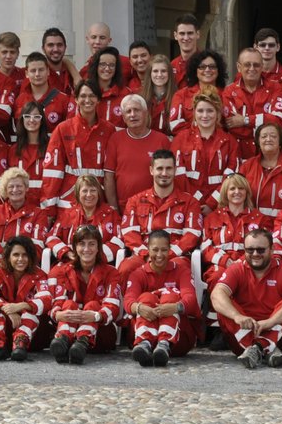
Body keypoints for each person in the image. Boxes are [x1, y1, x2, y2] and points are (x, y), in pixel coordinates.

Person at [209, 228, 282, 368]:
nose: (255, 254)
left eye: (261, 250)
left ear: (272, 250)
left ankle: (259, 348)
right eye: (250, 250)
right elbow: (217, 294)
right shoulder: (237, 268)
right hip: (242, 334)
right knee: (225, 306)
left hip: (275, 332)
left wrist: (271, 321)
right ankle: (266, 348)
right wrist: (237, 316)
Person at [45, 225, 123, 364]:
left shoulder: (111, 272)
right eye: (82, 244)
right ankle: (63, 341)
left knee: (93, 305)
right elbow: (56, 302)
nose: (86, 249)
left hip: (100, 333)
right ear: (75, 247)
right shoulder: (62, 270)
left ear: (99, 247)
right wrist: (57, 314)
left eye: (92, 244)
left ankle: (82, 341)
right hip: (68, 326)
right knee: (68, 304)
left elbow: (113, 306)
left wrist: (96, 316)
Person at [120, 229, 199, 365]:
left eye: (164, 250)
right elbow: (128, 301)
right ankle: (145, 343)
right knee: (146, 298)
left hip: (178, 341)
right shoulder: (138, 274)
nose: (159, 255)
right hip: (141, 338)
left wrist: (175, 307)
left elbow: (191, 299)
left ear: (170, 250)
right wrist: (140, 308)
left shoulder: (181, 271)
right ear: (148, 250)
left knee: (170, 296)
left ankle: (164, 344)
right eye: (155, 250)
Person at [0, 235, 52, 361]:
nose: (20, 259)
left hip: (33, 336)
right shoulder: (0, 272)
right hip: (7, 325)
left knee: (31, 311)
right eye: (16, 255)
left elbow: (47, 300)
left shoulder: (39, 275)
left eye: (25, 255)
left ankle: (20, 343)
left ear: (31, 257)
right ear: (8, 257)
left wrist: (22, 306)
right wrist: (6, 308)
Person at [41, 80, 113, 211]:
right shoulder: (63, 129)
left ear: (98, 99)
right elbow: (53, 171)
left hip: (99, 199)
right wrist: (49, 208)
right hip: (69, 202)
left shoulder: (109, 130)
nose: (87, 100)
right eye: (83, 96)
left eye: (92, 96)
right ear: (76, 100)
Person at [120, 149, 203, 259]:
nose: (164, 173)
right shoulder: (135, 201)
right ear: (151, 170)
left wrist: (167, 255)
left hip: (176, 258)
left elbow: (191, 236)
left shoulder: (190, 202)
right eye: (159, 168)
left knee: (182, 270)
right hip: (144, 257)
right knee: (127, 268)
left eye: (168, 168)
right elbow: (129, 234)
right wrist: (146, 255)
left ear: (175, 170)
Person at [170, 88, 237, 209]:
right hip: (187, 204)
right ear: (194, 113)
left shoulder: (230, 142)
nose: (205, 115)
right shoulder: (181, 139)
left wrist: (211, 204)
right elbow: (177, 175)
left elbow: (231, 177)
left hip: (219, 206)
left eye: (210, 111)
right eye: (200, 111)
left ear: (218, 113)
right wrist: (197, 201)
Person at [103, 94, 171, 209]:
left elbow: (170, 175)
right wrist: (113, 208)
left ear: (146, 113)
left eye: (137, 110)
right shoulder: (115, 139)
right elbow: (109, 177)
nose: (132, 115)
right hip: (124, 208)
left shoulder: (162, 140)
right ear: (124, 118)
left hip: (154, 207)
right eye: (128, 111)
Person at [203, 173, 266, 290]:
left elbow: (264, 246)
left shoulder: (259, 218)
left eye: (241, 188)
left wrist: (241, 262)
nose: (237, 192)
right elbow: (205, 247)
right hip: (220, 265)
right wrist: (225, 260)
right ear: (226, 193)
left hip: (249, 264)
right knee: (217, 277)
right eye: (232, 188)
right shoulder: (211, 218)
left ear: (246, 192)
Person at [221, 47, 282, 160]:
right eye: (247, 64)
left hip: (268, 157)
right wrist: (265, 125)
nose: (252, 68)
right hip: (239, 156)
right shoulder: (229, 92)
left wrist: (245, 121)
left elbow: (279, 120)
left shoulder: (275, 88)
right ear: (238, 67)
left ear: (262, 67)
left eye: (256, 65)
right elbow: (232, 126)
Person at [0, 167, 49, 271]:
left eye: (19, 186)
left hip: (26, 265)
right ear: (5, 190)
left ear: (26, 188)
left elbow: (37, 245)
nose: (15, 190)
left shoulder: (38, 214)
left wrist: (21, 262)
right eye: (11, 187)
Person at [49, 174, 123, 265]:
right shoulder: (67, 214)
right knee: (55, 274)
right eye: (84, 191)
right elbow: (51, 237)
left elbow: (120, 239)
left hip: (102, 265)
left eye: (93, 190)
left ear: (98, 193)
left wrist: (96, 256)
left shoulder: (111, 214)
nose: (89, 195)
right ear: (77, 193)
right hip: (70, 263)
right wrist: (67, 252)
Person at [239, 122, 282, 218]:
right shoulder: (247, 167)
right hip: (253, 226)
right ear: (258, 141)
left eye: (273, 136)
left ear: (280, 140)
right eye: (264, 136)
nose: (268, 139)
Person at [16, 51, 72, 140]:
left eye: (41, 70)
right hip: (27, 151)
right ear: (27, 74)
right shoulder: (20, 100)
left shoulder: (63, 99)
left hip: (55, 149)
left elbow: (69, 131)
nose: (37, 74)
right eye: (33, 71)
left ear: (48, 71)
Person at [167, 50, 226, 132]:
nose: (207, 69)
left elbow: (231, 124)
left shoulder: (227, 94)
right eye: (202, 67)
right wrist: (202, 129)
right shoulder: (181, 95)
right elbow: (174, 124)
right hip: (189, 143)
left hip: (220, 143)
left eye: (212, 66)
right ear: (195, 70)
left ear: (218, 70)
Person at [12, 102, 52, 215]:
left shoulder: (51, 149)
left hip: (43, 209)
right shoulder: (12, 151)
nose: (32, 120)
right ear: (22, 120)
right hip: (19, 209)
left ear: (42, 120)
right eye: (27, 116)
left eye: (36, 116)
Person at [79, 46, 127, 125]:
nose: (107, 69)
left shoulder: (125, 94)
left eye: (112, 65)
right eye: (103, 64)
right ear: (96, 66)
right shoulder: (83, 92)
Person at [138, 54, 176, 134]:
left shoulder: (177, 97)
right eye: (155, 71)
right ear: (150, 73)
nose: (159, 75)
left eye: (163, 71)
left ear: (169, 73)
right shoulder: (140, 97)